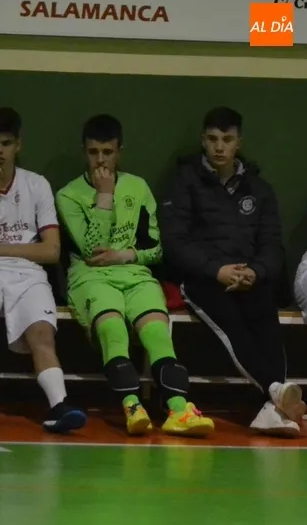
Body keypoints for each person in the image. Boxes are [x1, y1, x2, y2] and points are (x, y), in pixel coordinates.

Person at [55, 114, 214, 437]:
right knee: (113, 328)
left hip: (135, 274)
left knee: (156, 332)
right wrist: (104, 196)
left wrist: (125, 255)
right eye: (93, 152)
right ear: (84, 152)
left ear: (120, 152)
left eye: (108, 152)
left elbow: (155, 248)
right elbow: (92, 250)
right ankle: (132, 406)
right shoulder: (69, 195)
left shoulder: (138, 188)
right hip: (91, 277)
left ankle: (179, 410)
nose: (101, 160)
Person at [160, 106, 304, 437]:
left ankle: (272, 407)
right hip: (203, 279)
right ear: (203, 140)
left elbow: (271, 245)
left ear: (238, 142)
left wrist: (255, 272)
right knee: (231, 321)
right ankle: (276, 393)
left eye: (227, 139)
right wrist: (217, 270)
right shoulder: (184, 182)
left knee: (264, 310)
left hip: (248, 278)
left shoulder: (260, 189)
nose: (219, 147)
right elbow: (175, 242)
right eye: (212, 139)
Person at [0, 107, 86, 434]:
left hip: (29, 274)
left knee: (41, 332)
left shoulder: (37, 185)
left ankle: (59, 405)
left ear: (18, 145)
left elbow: (51, 251)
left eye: (6, 143)